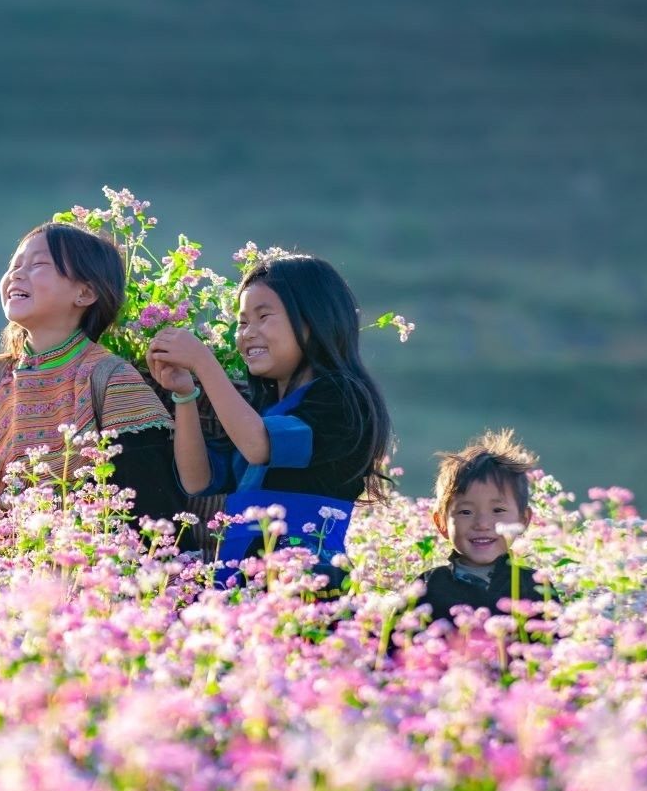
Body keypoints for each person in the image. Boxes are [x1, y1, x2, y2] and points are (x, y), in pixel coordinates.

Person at [146, 255, 392, 590]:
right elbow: (197, 479)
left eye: (263, 317)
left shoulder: (343, 397)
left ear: (313, 320)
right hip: (237, 574)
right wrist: (185, 395)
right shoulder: (261, 411)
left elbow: (260, 446)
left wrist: (204, 362)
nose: (248, 333)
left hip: (304, 578)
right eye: (243, 322)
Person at [0, 222, 187, 531]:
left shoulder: (112, 380)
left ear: (85, 292)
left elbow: (150, 509)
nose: (16, 274)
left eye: (39, 264)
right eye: (14, 265)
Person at [415, 429, 547, 621]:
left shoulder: (535, 586)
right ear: (441, 523)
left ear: (523, 519)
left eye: (498, 511)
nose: (482, 524)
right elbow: (395, 646)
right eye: (465, 512)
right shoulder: (429, 586)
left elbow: (555, 646)